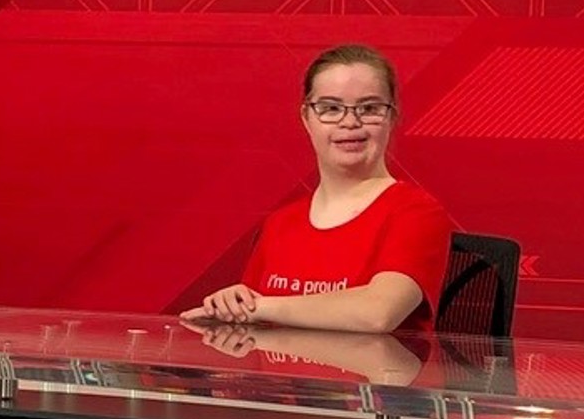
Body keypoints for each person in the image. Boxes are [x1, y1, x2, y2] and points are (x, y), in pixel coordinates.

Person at [182, 44, 450, 333]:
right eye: (331, 109)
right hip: (283, 379)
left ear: (392, 118)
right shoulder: (280, 223)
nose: (350, 122)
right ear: (306, 118)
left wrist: (259, 307)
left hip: (372, 379)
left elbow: (377, 313)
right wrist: (231, 308)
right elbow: (252, 330)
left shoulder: (416, 212)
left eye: (370, 108)